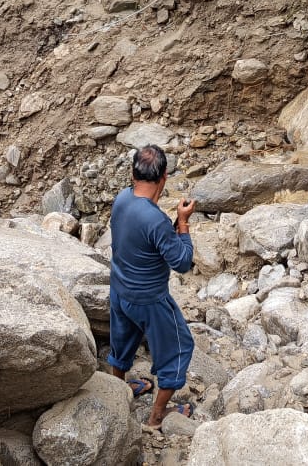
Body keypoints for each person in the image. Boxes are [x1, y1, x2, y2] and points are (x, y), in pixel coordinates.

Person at [106, 144, 196, 429]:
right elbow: (181, 262)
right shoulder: (157, 221)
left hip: (120, 291)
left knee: (122, 345)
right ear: (164, 177)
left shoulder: (121, 199)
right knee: (179, 349)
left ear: (133, 175)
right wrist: (182, 223)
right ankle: (157, 417)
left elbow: (142, 237)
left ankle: (117, 393)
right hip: (149, 299)